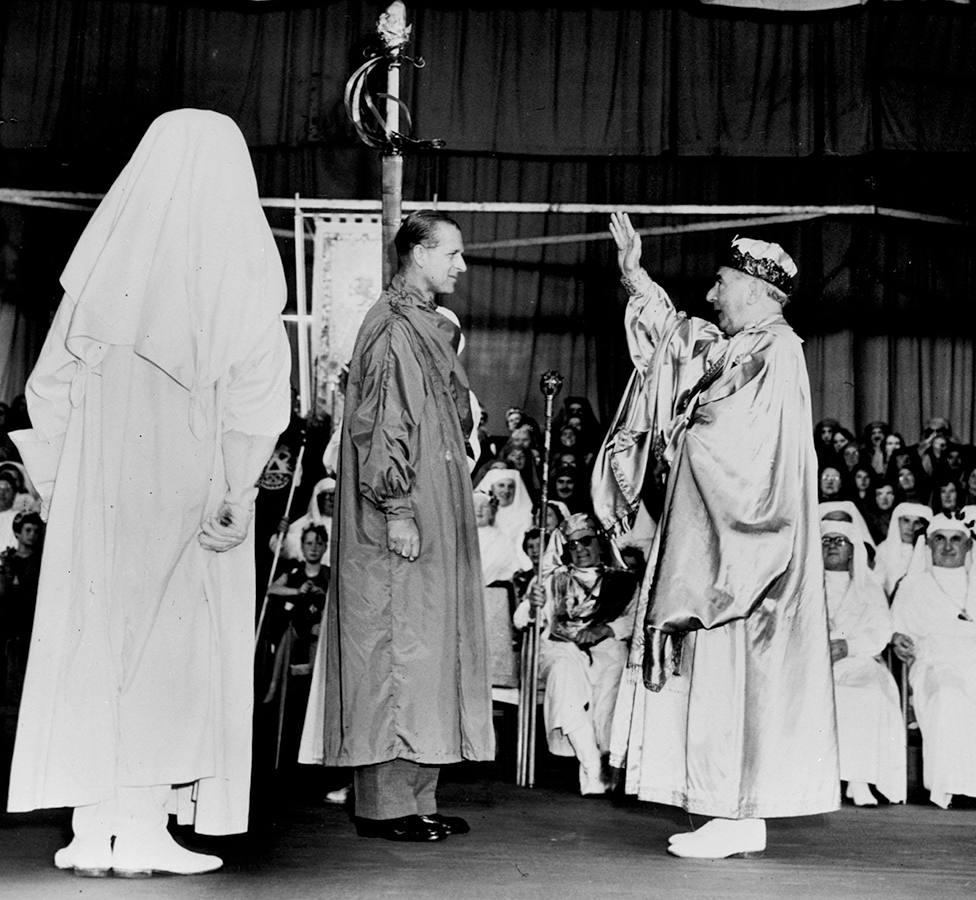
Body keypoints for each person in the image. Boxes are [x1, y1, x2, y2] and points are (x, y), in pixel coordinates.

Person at [5, 110, 291, 876]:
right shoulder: (241, 270)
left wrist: (63, 489)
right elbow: (258, 395)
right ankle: (138, 828)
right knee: (173, 653)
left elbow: (47, 389)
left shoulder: (100, 275)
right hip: (191, 490)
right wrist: (237, 488)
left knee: (96, 642)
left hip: (101, 499)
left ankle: (90, 829)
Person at [596, 215, 838, 859]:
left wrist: (681, 433)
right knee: (723, 681)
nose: (711, 294)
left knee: (739, 681)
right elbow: (677, 342)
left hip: (747, 555)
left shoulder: (774, 352)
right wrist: (634, 275)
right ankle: (728, 812)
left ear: (757, 291)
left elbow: (740, 452)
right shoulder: (744, 345)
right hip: (722, 549)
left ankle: (736, 814)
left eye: (722, 282)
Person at [322, 210, 493, 843]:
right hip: (401, 515)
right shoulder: (394, 328)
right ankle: (387, 808)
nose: (461, 265)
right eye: (451, 253)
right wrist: (397, 510)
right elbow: (381, 424)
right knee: (395, 651)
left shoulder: (424, 324)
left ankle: (418, 798)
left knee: (427, 651)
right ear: (417, 253)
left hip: (433, 509)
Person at [514, 513, 636, 795]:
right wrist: (533, 606)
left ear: (600, 543)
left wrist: (605, 629)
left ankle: (609, 767)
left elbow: (637, 619)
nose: (579, 549)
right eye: (572, 545)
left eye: (585, 541)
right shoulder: (551, 578)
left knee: (614, 669)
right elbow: (522, 620)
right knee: (565, 669)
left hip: (606, 647)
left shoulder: (623, 580)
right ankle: (591, 764)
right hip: (560, 647)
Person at [891, 513, 976, 808]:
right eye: (940, 539)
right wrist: (896, 637)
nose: (949, 547)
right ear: (928, 545)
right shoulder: (913, 586)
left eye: (957, 540)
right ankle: (952, 787)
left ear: (968, 546)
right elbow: (896, 626)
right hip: (934, 661)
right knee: (950, 696)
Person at [820, 520, 906, 806]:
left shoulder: (868, 587)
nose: (832, 545)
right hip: (813, 664)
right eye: (826, 540)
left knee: (870, 695)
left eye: (839, 541)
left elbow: (880, 631)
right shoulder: (804, 585)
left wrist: (849, 645)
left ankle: (859, 781)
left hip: (859, 661)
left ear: (853, 551)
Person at [874, 502, 932, 600]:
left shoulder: (931, 553)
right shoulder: (882, 551)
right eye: (906, 521)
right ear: (898, 522)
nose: (910, 527)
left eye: (917, 522)